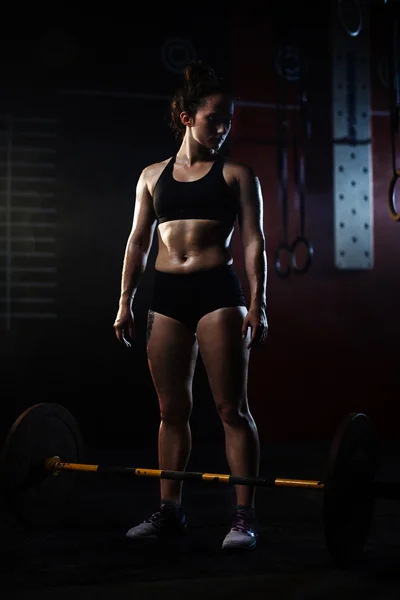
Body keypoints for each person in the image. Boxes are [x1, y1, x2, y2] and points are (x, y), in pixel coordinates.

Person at [113, 60, 268, 551]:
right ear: (186, 116)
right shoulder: (151, 176)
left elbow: (253, 243)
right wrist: (124, 302)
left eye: (228, 120)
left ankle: (243, 518)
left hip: (218, 295)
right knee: (171, 410)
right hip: (167, 296)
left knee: (231, 408)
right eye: (213, 118)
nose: (222, 128)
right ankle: (170, 510)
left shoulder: (238, 174)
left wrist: (259, 302)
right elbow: (137, 243)